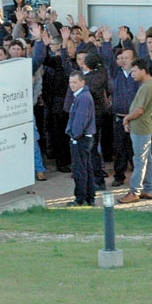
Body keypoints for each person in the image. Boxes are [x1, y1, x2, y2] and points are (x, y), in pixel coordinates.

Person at [118, 59, 152, 204]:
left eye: (134, 71)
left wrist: (126, 118)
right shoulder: (147, 85)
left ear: (143, 70)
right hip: (142, 127)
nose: (132, 74)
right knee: (146, 159)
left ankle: (134, 191)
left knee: (139, 160)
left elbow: (139, 110)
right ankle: (147, 189)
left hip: (141, 128)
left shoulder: (147, 86)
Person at [65, 70, 97, 206]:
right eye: (70, 82)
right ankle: (89, 197)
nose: (72, 85)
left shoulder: (82, 98)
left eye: (75, 82)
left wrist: (74, 136)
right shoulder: (82, 96)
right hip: (85, 137)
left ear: (82, 82)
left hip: (81, 138)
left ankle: (80, 199)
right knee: (86, 168)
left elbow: (80, 121)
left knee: (80, 170)